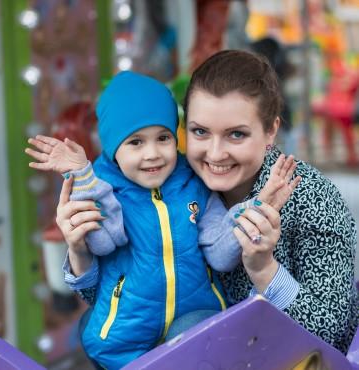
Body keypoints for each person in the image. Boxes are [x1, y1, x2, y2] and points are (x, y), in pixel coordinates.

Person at [25, 71, 299, 369]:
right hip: (128, 331)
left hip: (195, 320)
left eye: (163, 138)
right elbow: (104, 242)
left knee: (197, 338)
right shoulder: (101, 185)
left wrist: (255, 208)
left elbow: (220, 255)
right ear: (113, 148)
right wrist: (84, 179)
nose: (153, 154)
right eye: (136, 142)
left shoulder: (192, 183)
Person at [180, 49, 358, 354]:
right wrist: (81, 257)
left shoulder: (312, 199)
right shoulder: (176, 188)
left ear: (271, 130)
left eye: (236, 134)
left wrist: (264, 269)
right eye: (200, 132)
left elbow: (333, 336)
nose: (215, 153)